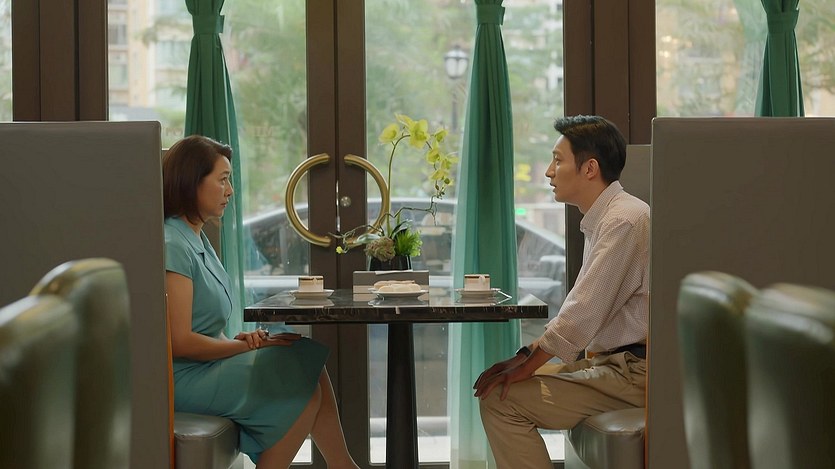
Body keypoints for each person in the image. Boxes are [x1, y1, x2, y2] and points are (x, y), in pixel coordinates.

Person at [163, 135, 359, 469]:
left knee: (302, 356)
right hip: (183, 380)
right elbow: (180, 342)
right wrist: (242, 348)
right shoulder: (174, 244)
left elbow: (206, 327)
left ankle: (344, 466)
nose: (230, 191)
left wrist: (240, 342)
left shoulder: (198, 238)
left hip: (204, 368)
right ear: (192, 182)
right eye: (222, 180)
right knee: (299, 382)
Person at [473, 115, 649, 469]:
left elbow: (581, 315)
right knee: (498, 389)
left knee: (501, 400)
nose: (549, 172)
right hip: (614, 367)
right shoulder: (608, 218)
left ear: (589, 168)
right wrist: (523, 358)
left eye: (557, 160)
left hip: (634, 375)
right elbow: (580, 313)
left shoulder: (624, 220)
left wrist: (528, 365)